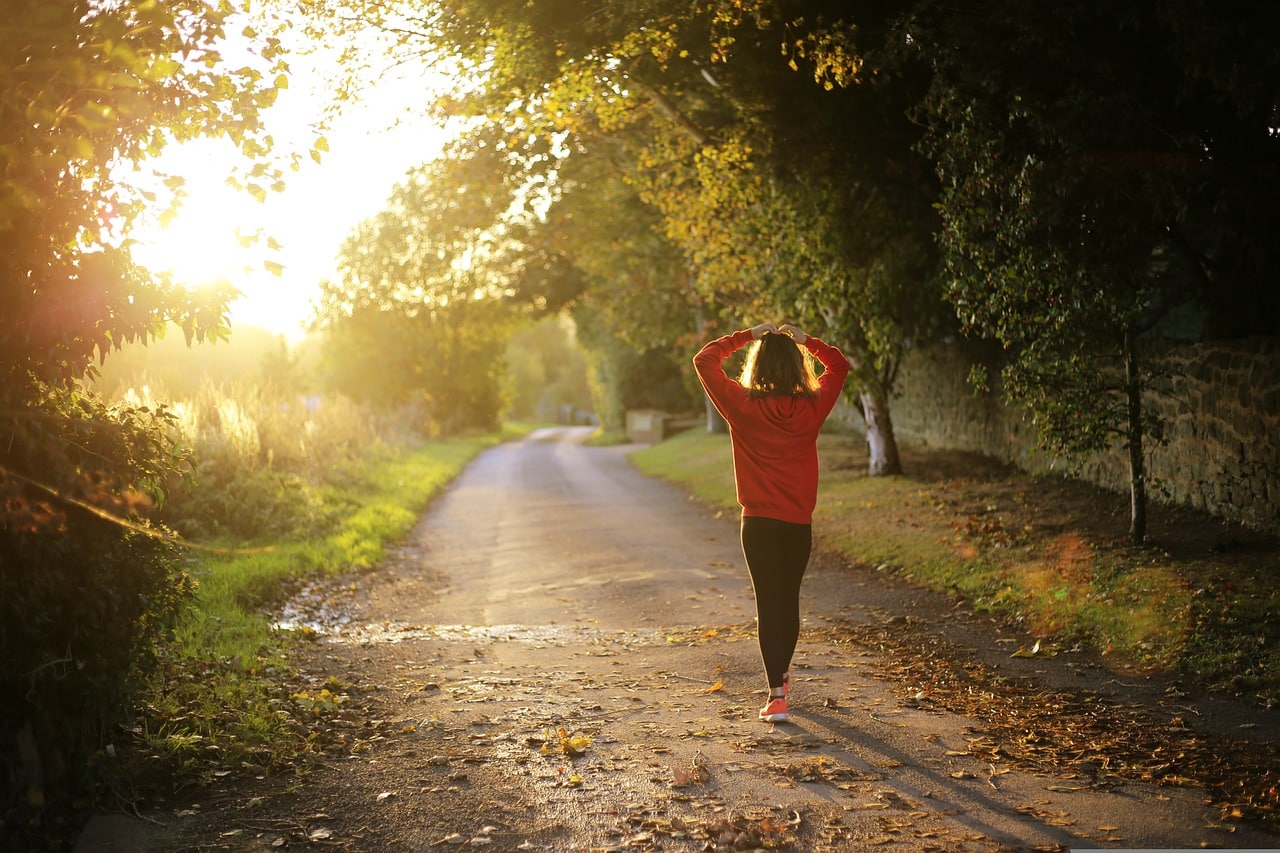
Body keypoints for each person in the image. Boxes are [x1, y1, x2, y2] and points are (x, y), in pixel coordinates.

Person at [693, 322, 850, 722]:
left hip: (758, 523)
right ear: (798, 367)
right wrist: (807, 341)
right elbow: (840, 365)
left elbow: (704, 360)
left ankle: (776, 694)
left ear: (757, 366)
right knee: (788, 601)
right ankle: (780, 676)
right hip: (797, 523)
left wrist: (747, 335)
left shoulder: (741, 405)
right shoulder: (812, 406)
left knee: (768, 604)